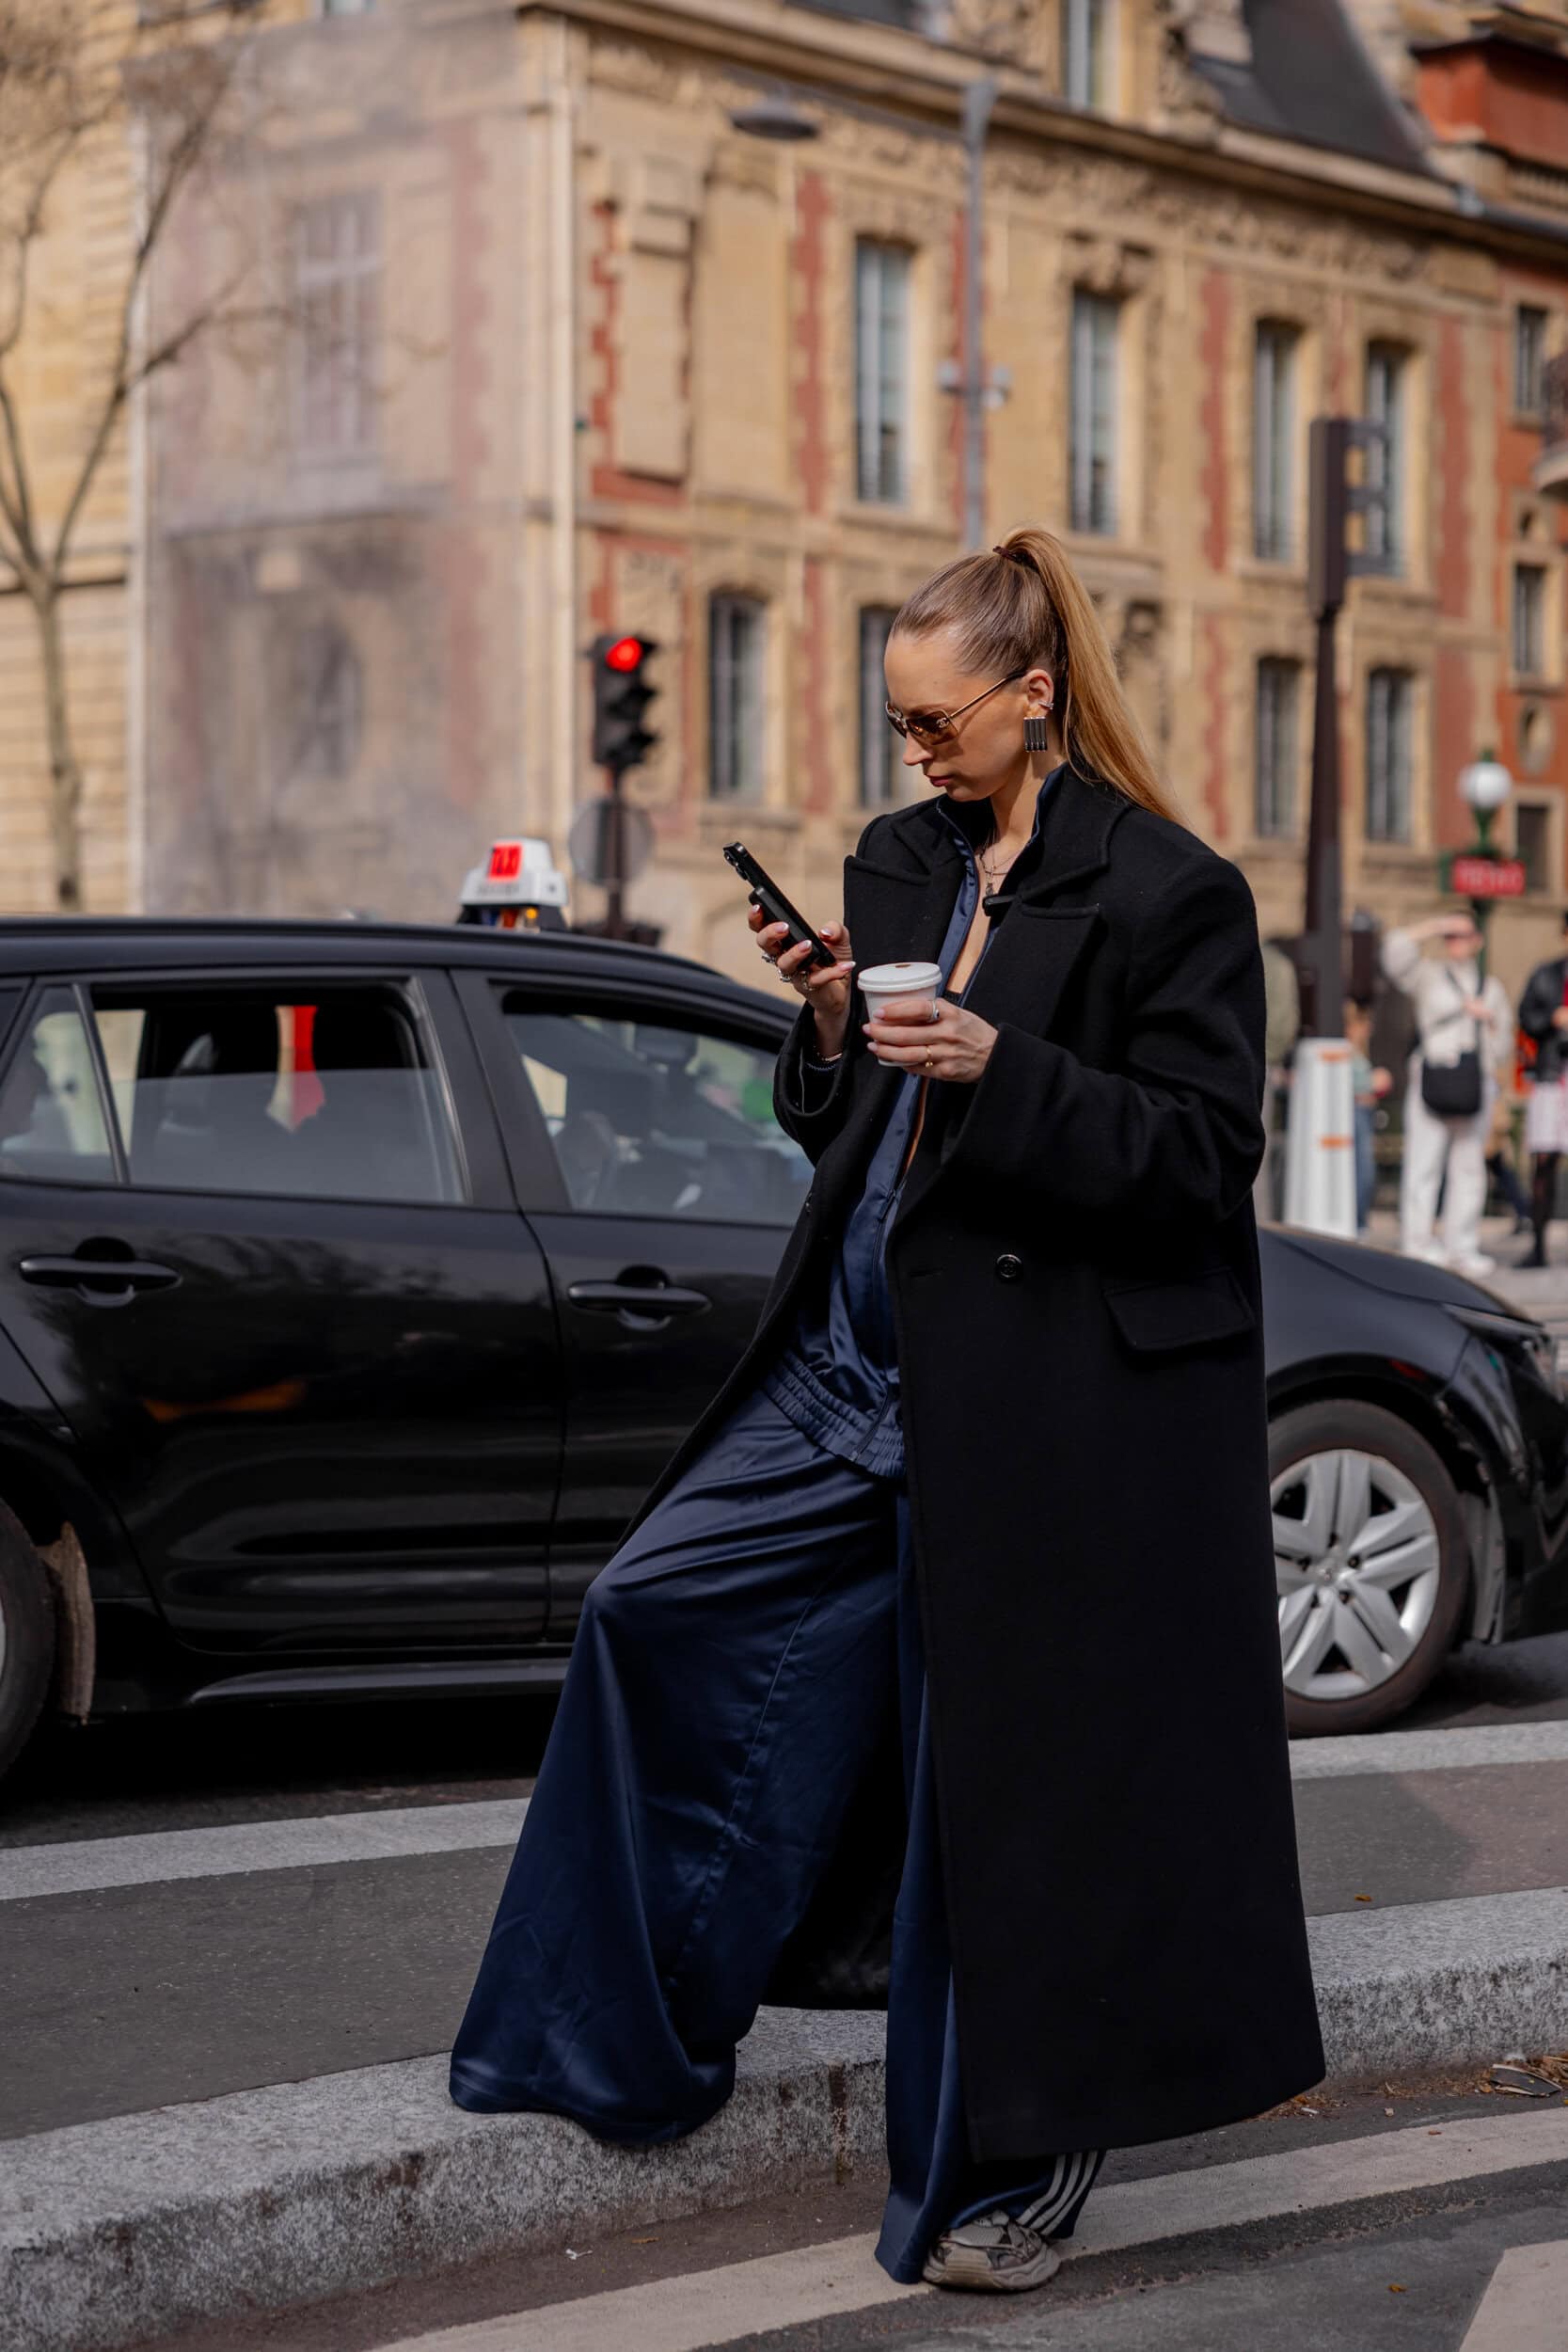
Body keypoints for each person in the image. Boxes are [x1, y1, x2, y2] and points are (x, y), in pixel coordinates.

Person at [449, 527, 1323, 2296]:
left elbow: (1197, 1157)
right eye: (898, 722)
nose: (915, 754)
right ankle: (615, 2040)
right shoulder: (902, 861)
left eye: (938, 723)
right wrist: (836, 1029)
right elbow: (854, 1131)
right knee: (650, 1610)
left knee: (989, 1788)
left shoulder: (1168, 889)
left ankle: (1024, 2155)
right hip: (851, 1366)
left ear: (1033, 694)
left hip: (1037, 1405)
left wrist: (1008, 1069)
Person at [1381, 914, 1513, 1275]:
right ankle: (1418, 1242)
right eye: (1450, 936)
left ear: (1477, 940)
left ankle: (1462, 1245)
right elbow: (1394, 954)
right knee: (1424, 1163)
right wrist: (1434, 926)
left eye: (1463, 935)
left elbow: (1503, 1046)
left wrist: (1489, 1022)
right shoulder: (1429, 975)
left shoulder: (1493, 987)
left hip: (1476, 1082)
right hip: (1434, 1076)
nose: (1455, 941)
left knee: (1469, 1168)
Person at [1517, 914, 1568, 1267]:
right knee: (1544, 1161)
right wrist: (1553, 1018)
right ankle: (1538, 1246)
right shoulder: (1546, 975)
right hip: (1552, 1074)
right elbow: (1525, 1017)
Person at [1343, 999, 1391, 1237]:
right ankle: (1357, 1221)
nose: (1368, 1029)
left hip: (1365, 1112)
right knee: (1361, 1170)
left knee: (1365, 1169)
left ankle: (1359, 1219)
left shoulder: (1360, 1052)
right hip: (1356, 1112)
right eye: (1364, 1024)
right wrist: (1371, 1082)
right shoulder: (1345, 1051)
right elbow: (1342, 1083)